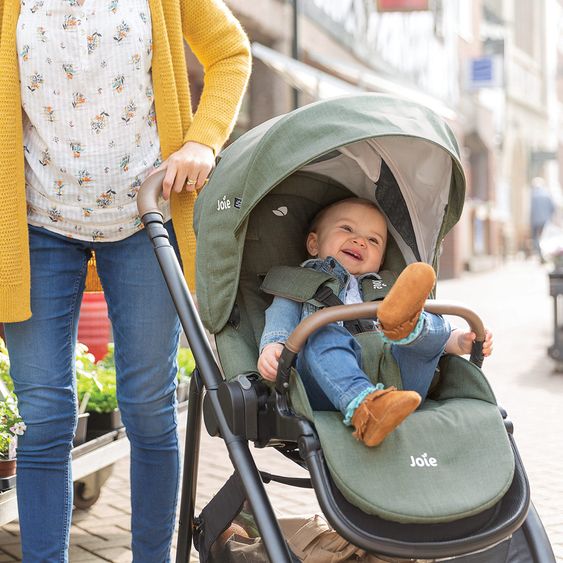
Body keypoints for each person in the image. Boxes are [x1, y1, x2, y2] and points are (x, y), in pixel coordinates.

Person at [0, 1, 251, 561]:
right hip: (38, 223)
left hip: (147, 219)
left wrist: (203, 140)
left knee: (147, 407)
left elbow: (230, 53)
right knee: (44, 416)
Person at [258, 199, 492, 447]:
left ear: (380, 261)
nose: (360, 241)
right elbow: (280, 317)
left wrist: (460, 342)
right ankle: (366, 410)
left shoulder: (388, 288)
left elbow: (432, 348)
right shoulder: (298, 282)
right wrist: (273, 347)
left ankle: (407, 328)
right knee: (321, 332)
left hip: (402, 383)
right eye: (347, 229)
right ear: (314, 244)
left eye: (373, 240)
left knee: (426, 319)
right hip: (330, 385)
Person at [530, 177, 555, 262]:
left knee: (537, 238)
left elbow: (532, 210)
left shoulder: (534, 196)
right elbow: (553, 207)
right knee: (545, 237)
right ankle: (546, 255)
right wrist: (549, 216)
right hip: (546, 220)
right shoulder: (547, 194)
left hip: (536, 221)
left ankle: (540, 255)